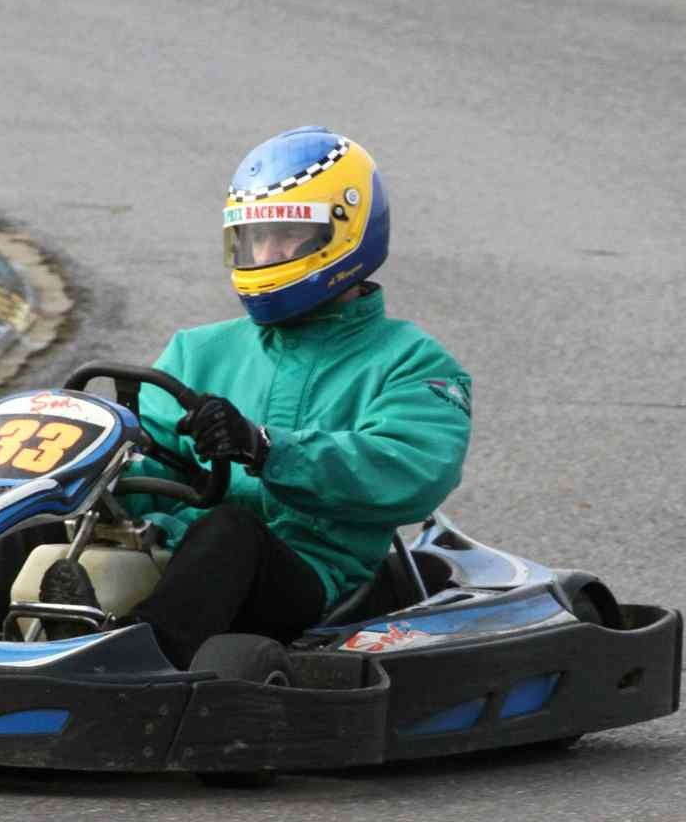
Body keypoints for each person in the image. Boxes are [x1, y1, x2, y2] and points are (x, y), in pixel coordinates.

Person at [41, 125, 473, 669]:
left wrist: (264, 447)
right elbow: (150, 464)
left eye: (287, 237)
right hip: (174, 551)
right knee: (35, 510)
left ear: (346, 233)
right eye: (255, 239)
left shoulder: (413, 363)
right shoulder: (197, 351)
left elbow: (410, 473)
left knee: (230, 530)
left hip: (311, 577)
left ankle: (131, 667)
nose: (268, 254)